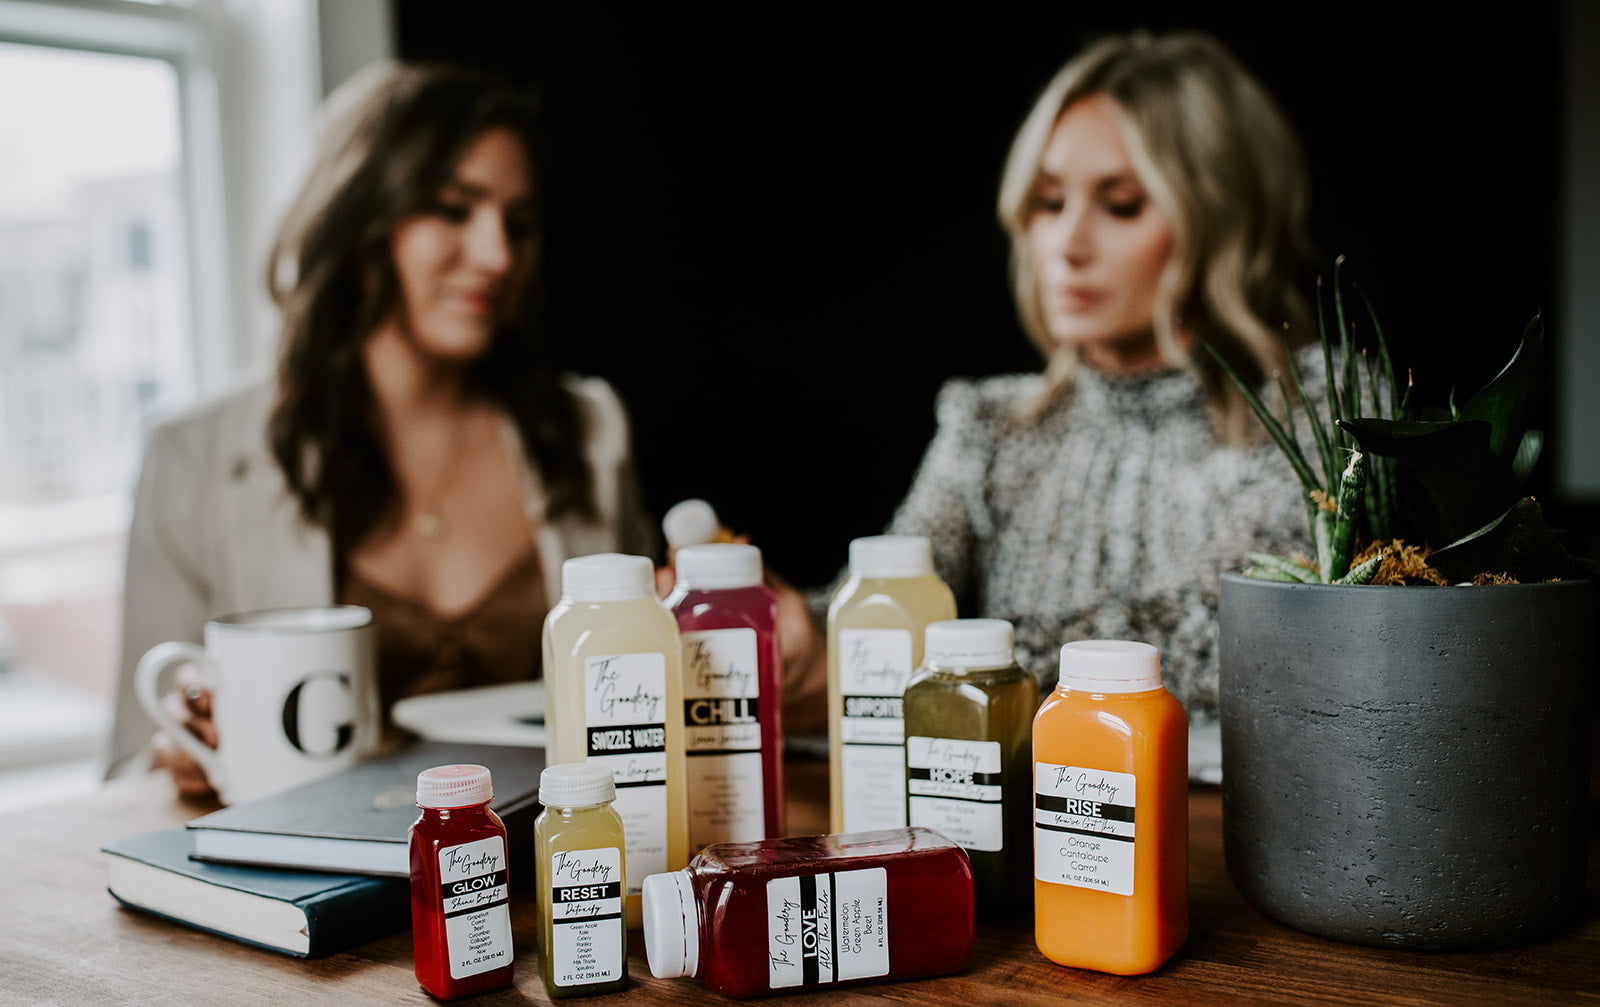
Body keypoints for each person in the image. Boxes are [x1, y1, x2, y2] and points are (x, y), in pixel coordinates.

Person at [107, 61, 655, 793]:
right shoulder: (194, 460)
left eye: (519, 225)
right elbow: (128, 766)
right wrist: (181, 752)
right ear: (358, 216)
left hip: (548, 883)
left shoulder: (589, 430)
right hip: (305, 892)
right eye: (454, 209)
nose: (497, 255)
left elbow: (648, 696)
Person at [783, 30, 1318, 732]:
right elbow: (893, 596)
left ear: (1221, 220)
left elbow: (1237, 638)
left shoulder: (1314, 414)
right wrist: (794, 633)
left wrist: (906, 659)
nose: (1068, 243)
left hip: (1225, 837)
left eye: (1121, 203)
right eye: (1047, 201)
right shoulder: (993, 426)